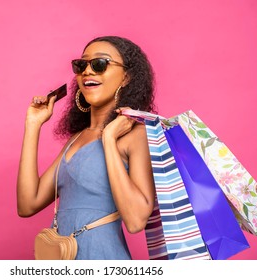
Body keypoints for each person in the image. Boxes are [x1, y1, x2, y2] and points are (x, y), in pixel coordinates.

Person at [17, 36, 156, 260]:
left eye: (100, 64)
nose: (87, 71)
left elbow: (136, 220)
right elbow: (27, 204)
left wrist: (109, 138)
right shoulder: (76, 139)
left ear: (127, 76)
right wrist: (32, 126)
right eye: (81, 65)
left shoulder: (135, 135)